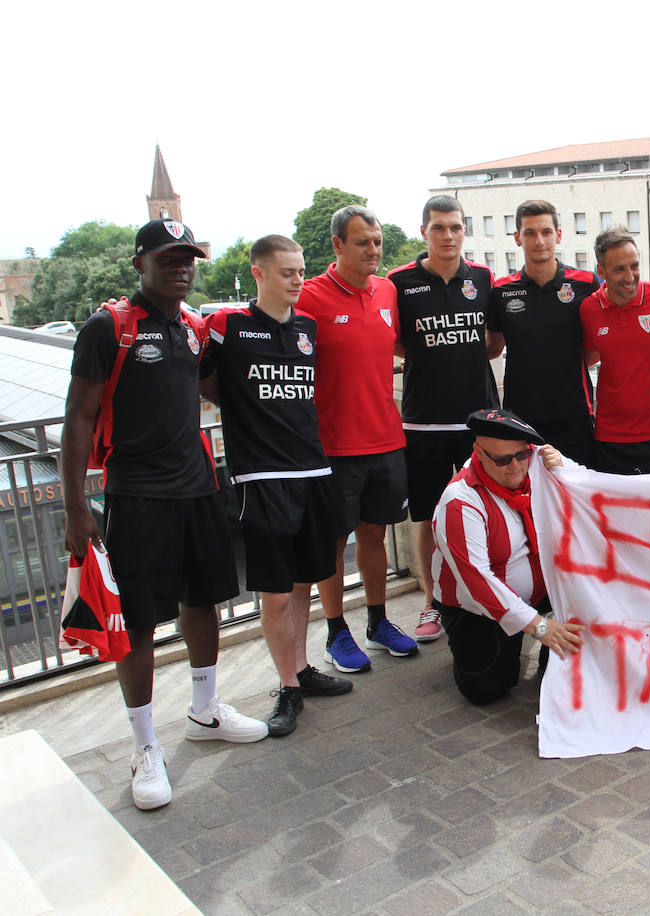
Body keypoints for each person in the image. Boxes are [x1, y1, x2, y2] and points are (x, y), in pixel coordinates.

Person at [60, 219, 266, 810]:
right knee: (142, 624)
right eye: (168, 258)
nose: (181, 267)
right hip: (137, 495)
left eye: (189, 259)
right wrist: (78, 508)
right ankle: (145, 746)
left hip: (198, 487)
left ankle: (205, 710)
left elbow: (224, 388)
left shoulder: (194, 327)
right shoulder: (108, 328)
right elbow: (77, 420)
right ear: (140, 264)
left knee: (202, 603)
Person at [200, 235, 353, 737]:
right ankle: (286, 687)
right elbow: (202, 382)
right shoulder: (228, 327)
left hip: (313, 469)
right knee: (276, 591)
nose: (297, 280)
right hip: (262, 474)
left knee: (306, 579)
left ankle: (303, 670)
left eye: (300, 270)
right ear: (259, 273)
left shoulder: (308, 326)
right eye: (286, 272)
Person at [297, 206, 417, 673]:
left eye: (377, 241)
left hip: (386, 439)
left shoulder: (388, 290)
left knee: (375, 535)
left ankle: (378, 623)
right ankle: (334, 631)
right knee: (333, 541)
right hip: (332, 447)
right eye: (363, 242)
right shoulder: (309, 297)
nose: (373, 250)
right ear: (337, 245)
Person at [388, 195, 500, 642]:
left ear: (464, 230)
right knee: (429, 517)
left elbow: (493, 343)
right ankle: (432, 605)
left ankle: (489, 596)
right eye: (439, 228)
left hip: (478, 421)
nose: (448, 235)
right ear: (424, 233)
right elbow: (396, 343)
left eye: (455, 227)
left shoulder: (485, 279)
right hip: (424, 423)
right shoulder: (399, 282)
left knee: (487, 513)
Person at [432, 408, 585, 704]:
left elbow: (590, 493)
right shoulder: (460, 502)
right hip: (479, 607)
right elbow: (477, 580)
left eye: (521, 455)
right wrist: (538, 626)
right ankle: (517, 635)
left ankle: (545, 639)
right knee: (486, 689)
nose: (515, 466)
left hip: (543, 588)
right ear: (478, 452)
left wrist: (568, 468)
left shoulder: (536, 462)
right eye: (502, 460)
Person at [489, 200, 601, 467]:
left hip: (574, 414)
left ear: (558, 235)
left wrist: (559, 366)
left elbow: (597, 348)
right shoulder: (501, 290)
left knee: (574, 495)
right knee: (528, 500)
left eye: (546, 232)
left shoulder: (586, 284)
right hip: (521, 417)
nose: (539, 240)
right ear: (517, 238)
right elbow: (492, 347)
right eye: (529, 233)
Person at [580, 225, 650, 474]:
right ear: (601, 271)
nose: (630, 276)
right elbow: (590, 355)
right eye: (619, 269)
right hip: (612, 438)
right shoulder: (588, 310)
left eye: (634, 266)